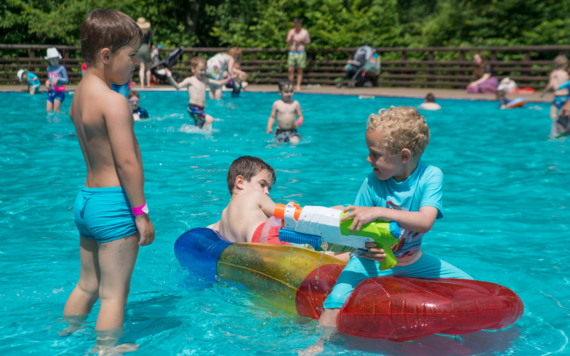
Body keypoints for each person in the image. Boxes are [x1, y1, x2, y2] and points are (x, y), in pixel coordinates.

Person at [316, 106, 472, 335]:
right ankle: (318, 345)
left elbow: (425, 221)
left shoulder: (431, 176)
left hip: (413, 260)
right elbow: (357, 231)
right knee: (336, 299)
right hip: (371, 261)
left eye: (375, 154)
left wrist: (379, 212)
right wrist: (369, 247)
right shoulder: (372, 182)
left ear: (404, 156)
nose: (368, 158)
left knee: (470, 286)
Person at [61, 9, 155, 354]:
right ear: (106, 55)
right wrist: (141, 212)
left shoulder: (79, 96)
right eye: (131, 55)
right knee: (114, 292)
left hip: (86, 201)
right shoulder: (114, 102)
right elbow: (127, 162)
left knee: (87, 284)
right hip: (114, 205)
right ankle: (105, 349)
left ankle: (64, 336)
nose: (135, 62)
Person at [208, 156, 282, 243]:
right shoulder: (255, 195)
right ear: (240, 182)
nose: (266, 192)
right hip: (263, 237)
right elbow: (286, 215)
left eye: (269, 189)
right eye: (262, 184)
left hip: (247, 251)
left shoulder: (221, 221)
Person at [165, 56, 228, 130]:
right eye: (201, 70)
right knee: (210, 120)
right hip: (193, 108)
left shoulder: (205, 80)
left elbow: (219, 83)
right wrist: (170, 77)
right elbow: (178, 86)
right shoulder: (190, 80)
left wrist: (230, 80)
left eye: (205, 70)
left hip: (201, 109)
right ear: (193, 69)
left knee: (202, 128)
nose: (203, 72)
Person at [266, 79, 304, 144]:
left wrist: (299, 122)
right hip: (280, 131)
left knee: (295, 142)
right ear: (280, 92)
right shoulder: (276, 104)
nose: (289, 94)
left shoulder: (295, 103)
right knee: (279, 144)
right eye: (286, 92)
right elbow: (272, 117)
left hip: (292, 131)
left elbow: (300, 116)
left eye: (291, 91)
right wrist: (269, 127)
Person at [286, 18, 311, 91]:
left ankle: (298, 85)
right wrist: (291, 38)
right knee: (290, 69)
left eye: (298, 24)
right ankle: (290, 84)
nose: (296, 26)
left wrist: (302, 40)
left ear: (300, 24)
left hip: (301, 52)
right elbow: (287, 42)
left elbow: (309, 43)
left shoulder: (305, 32)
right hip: (292, 51)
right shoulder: (291, 31)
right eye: (295, 24)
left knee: (300, 69)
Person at [45, 47, 69, 112]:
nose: (55, 62)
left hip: (59, 92)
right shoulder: (48, 69)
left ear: (59, 59)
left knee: (56, 111)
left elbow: (66, 80)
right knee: (48, 111)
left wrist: (58, 79)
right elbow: (49, 78)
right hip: (51, 92)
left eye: (56, 60)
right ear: (49, 60)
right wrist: (47, 82)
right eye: (52, 60)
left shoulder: (61, 68)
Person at [136, 17, 152, 88]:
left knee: (141, 68)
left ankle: (142, 84)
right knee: (148, 68)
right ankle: (148, 83)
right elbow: (151, 41)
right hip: (146, 48)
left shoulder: (137, 32)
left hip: (139, 48)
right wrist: (150, 48)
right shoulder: (148, 31)